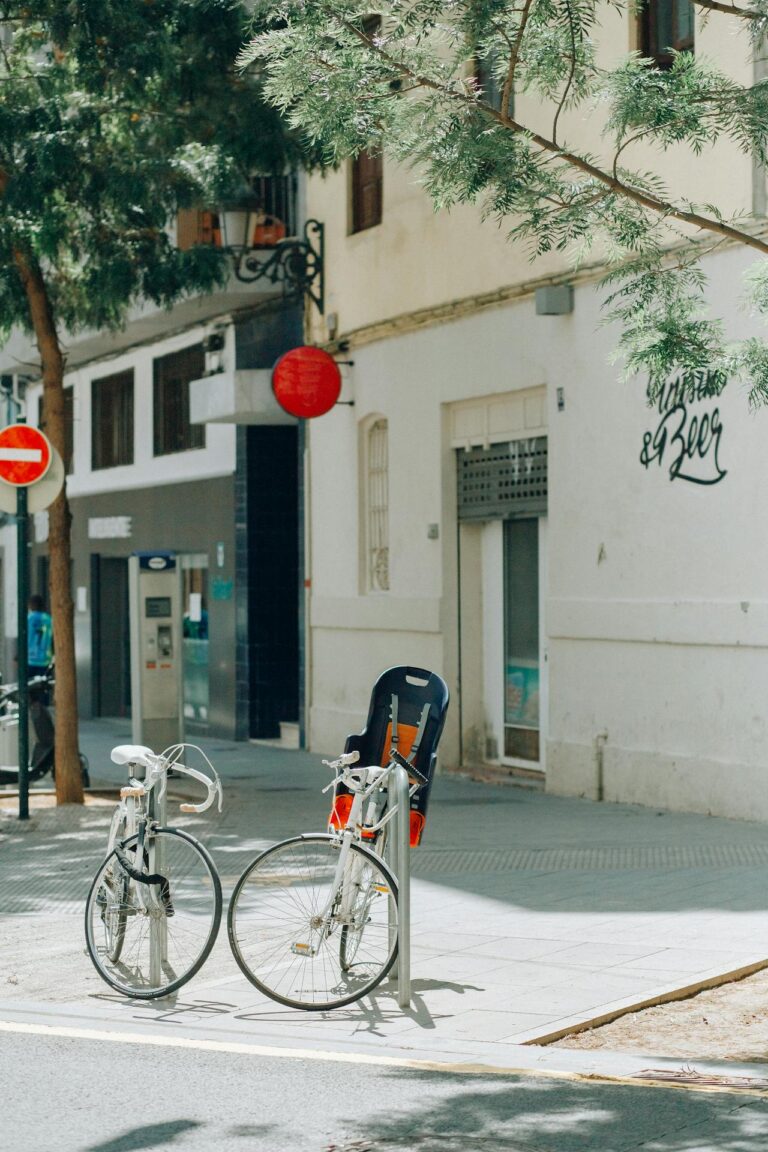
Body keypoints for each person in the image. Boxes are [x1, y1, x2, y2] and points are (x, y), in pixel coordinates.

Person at [27, 594, 53, 680]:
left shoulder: (28, 619)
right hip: (45, 659)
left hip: (30, 659)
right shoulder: (48, 619)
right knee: (43, 684)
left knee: (29, 684)